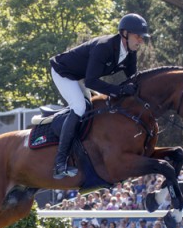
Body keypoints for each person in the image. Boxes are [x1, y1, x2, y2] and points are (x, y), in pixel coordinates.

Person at [49, 13, 150, 179]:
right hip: (64, 72)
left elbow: (133, 80)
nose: (141, 41)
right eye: (137, 36)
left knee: (93, 107)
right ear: (124, 33)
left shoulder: (130, 52)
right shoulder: (104, 47)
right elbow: (91, 82)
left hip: (80, 76)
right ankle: (60, 162)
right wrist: (119, 91)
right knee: (80, 107)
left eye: (142, 38)